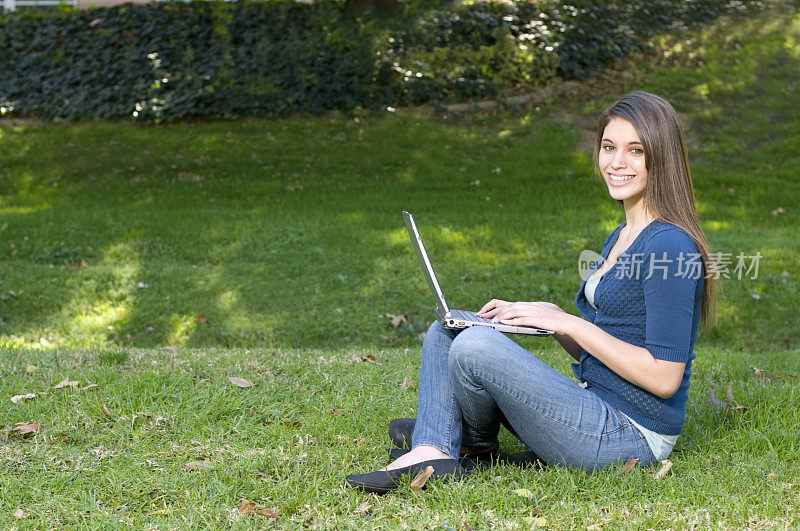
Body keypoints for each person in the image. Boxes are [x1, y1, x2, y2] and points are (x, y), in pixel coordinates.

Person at [346, 91, 717, 494]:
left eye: (636, 151)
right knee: (447, 331)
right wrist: (549, 320)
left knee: (475, 348)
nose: (616, 162)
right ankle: (436, 445)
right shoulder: (623, 236)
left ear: (661, 158)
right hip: (594, 403)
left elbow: (664, 378)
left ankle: (460, 431)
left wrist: (567, 321)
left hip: (629, 436)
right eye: (608, 147)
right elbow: (603, 351)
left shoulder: (669, 246)